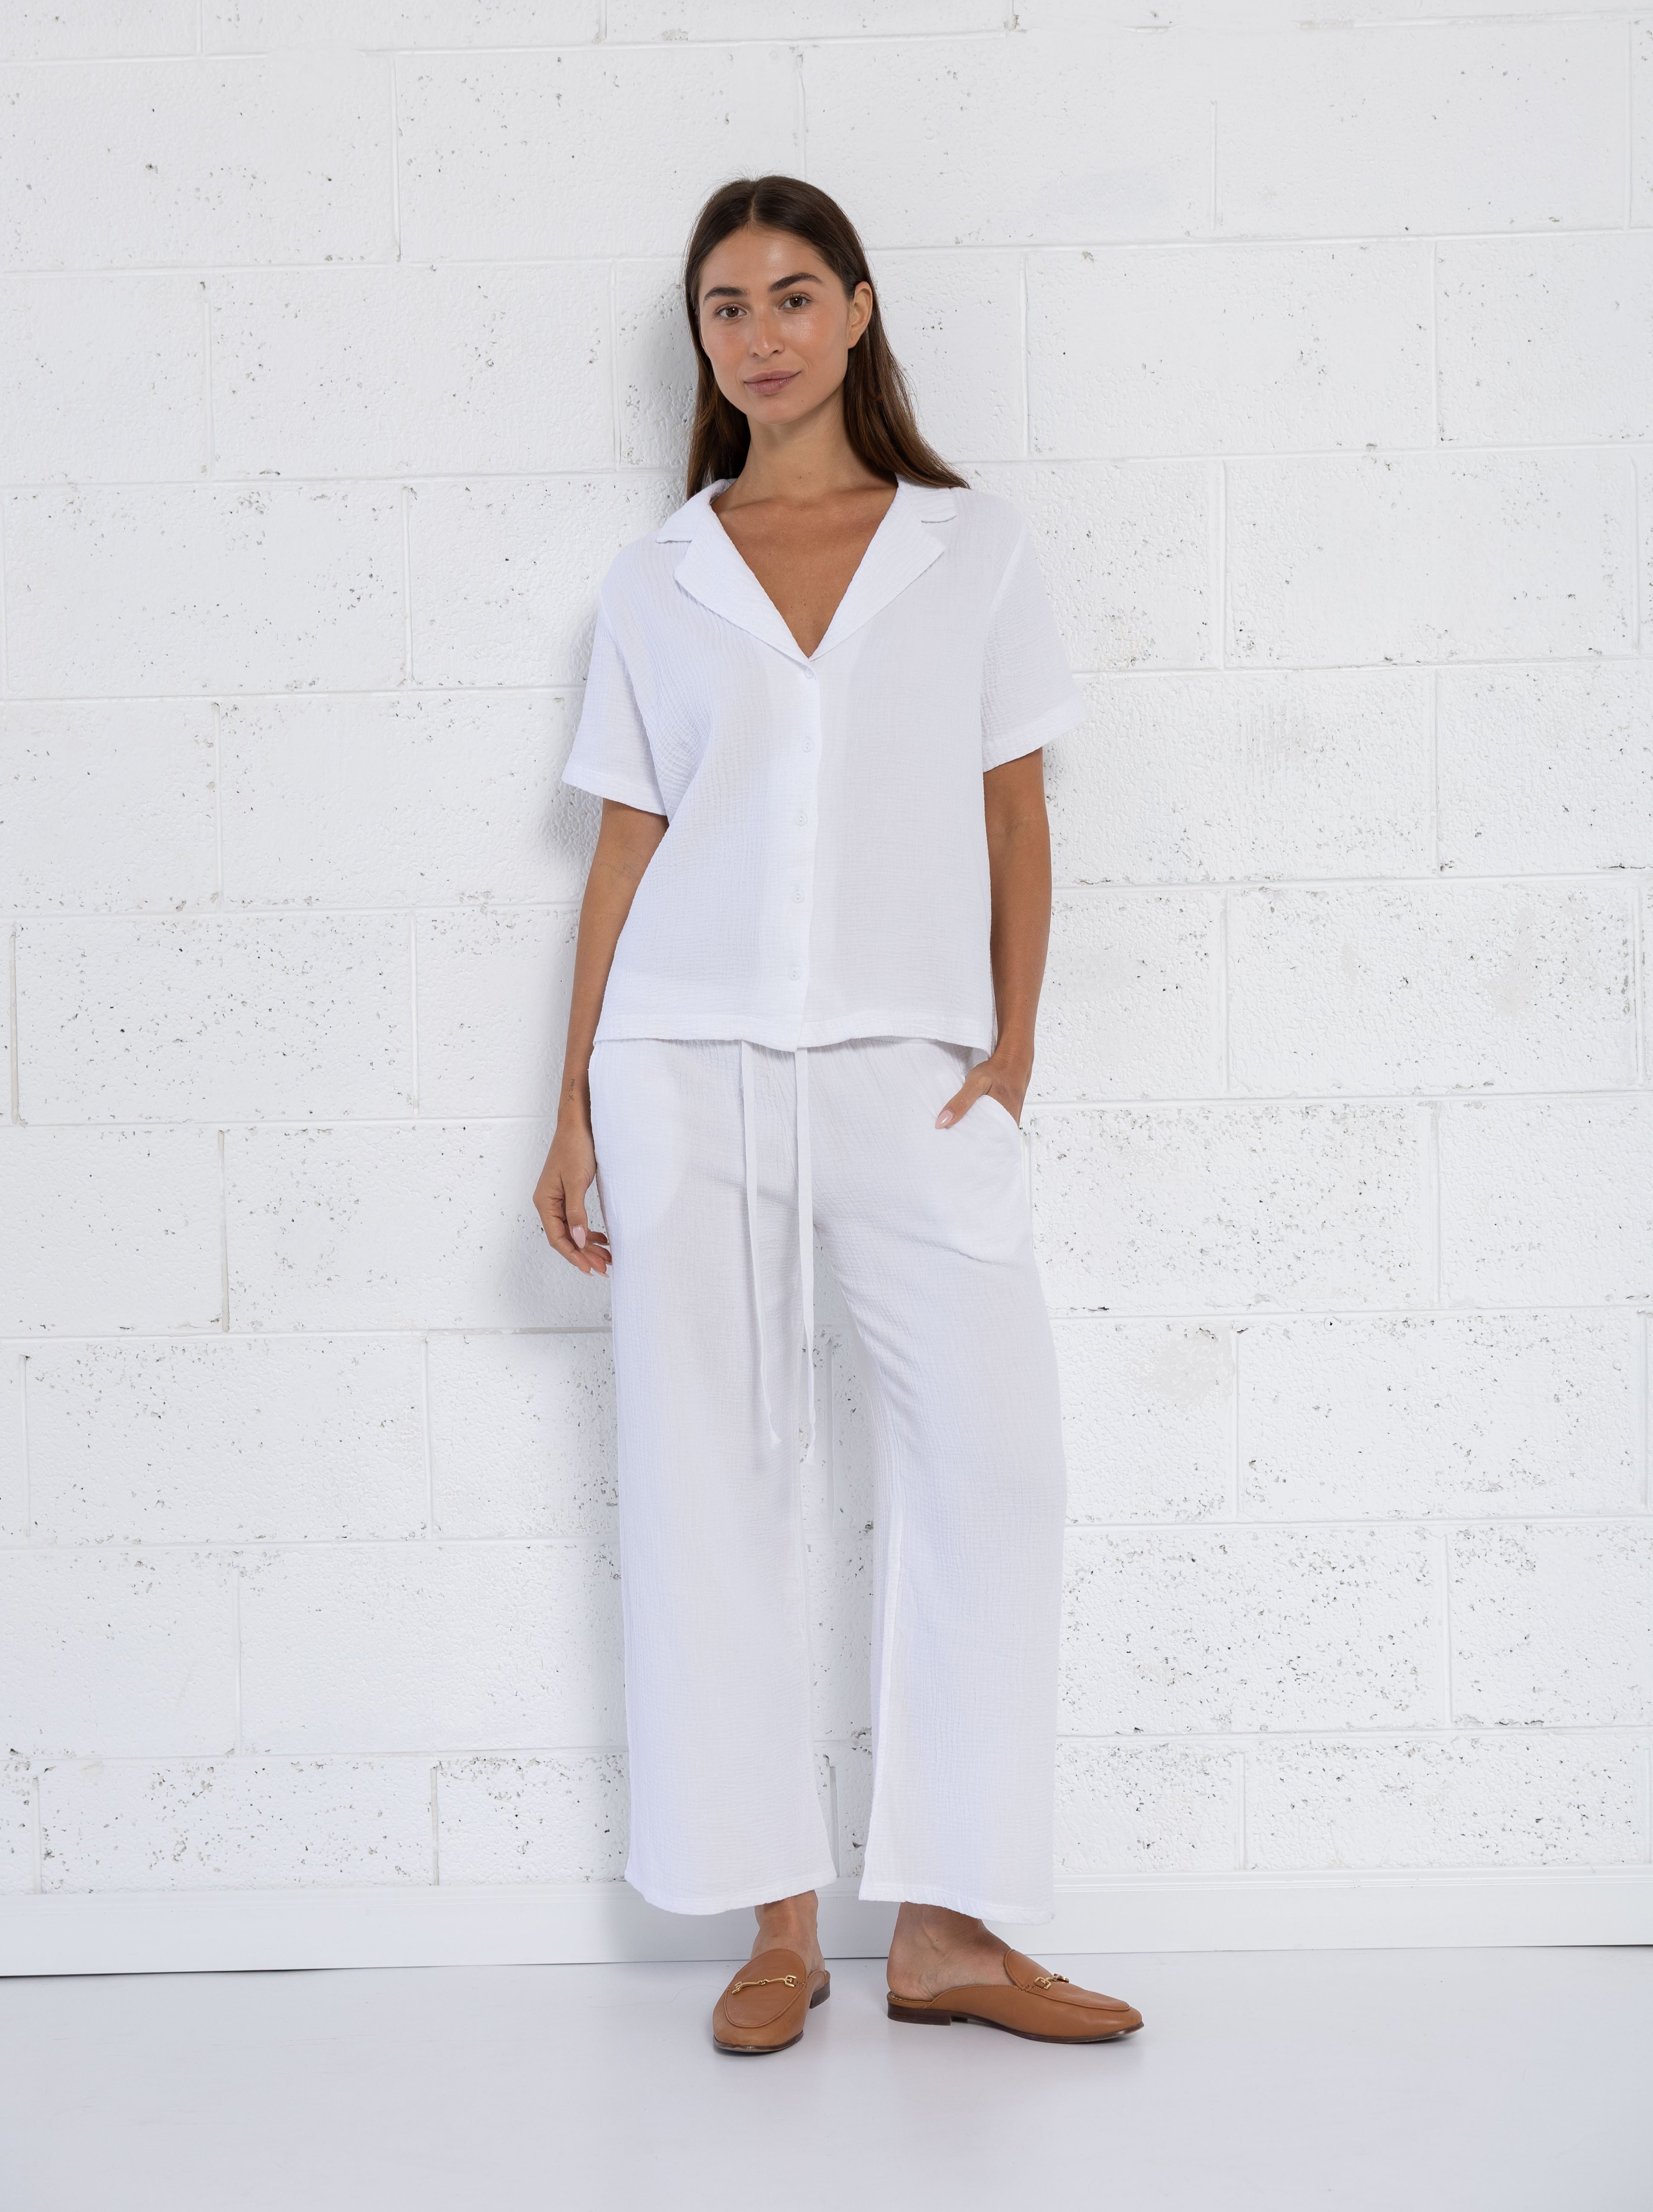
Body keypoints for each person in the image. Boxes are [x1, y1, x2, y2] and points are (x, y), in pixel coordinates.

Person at [534, 174, 1144, 2056]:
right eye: (726, 307)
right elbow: (626, 843)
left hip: (910, 1068)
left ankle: (950, 1925)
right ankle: (776, 1924)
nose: (762, 335)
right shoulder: (660, 575)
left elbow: (1016, 809)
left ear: (859, 310)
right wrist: (572, 1105)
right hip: (683, 1063)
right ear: (702, 342)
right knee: (709, 1472)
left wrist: (1012, 1050)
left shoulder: (973, 549)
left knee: (994, 1461)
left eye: (794, 295)